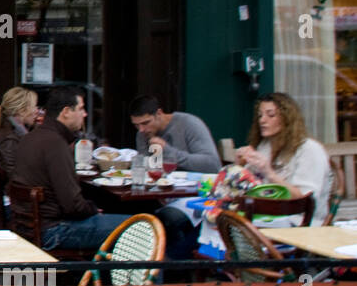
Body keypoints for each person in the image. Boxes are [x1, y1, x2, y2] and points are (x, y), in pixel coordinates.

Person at [12, 85, 131, 251]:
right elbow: (73, 206)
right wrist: (93, 210)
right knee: (143, 228)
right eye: (81, 108)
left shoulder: (29, 138)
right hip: (54, 231)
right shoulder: (55, 144)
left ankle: (103, 276)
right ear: (66, 112)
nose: (85, 114)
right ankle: (144, 277)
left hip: (31, 229)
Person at [234, 92, 331, 224]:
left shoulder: (309, 150)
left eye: (271, 115)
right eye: (260, 115)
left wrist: (269, 173)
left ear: (287, 118)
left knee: (232, 225)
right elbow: (248, 188)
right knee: (221, 219)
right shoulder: (264, 146)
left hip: (300, 222)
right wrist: (239, 166)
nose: (262, 120)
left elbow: (304, 199)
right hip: (265, 216)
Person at [129, 95, 221, 173]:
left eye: (146, 123)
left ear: (159, 113)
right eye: (136, 125)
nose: (141, 129)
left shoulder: (189, 124)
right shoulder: (142, 134)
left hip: (193, 189)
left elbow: (213, 165)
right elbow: (146, 171)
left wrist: (168, 151)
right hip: (160, 188)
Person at [0, 86, 39, 179]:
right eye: (34, 106)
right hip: (5, 192)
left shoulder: (12, 131)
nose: (37, 111)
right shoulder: (10, 139)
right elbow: (13, 177)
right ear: (21, 111)